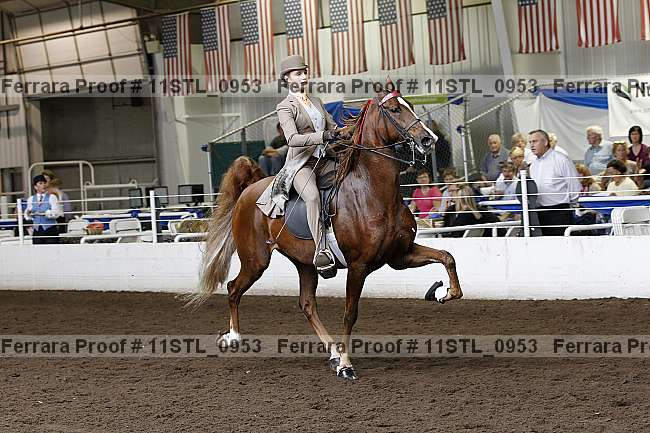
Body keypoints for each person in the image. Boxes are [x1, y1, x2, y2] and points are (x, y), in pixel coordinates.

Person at [256, 55, 340, 272]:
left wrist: (345, 132)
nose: (303, 76)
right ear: (287, 78)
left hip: (325, 159)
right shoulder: (285, 106)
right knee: (311, 196)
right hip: (302, 164)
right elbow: (292, 139)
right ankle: (321, 250)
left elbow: (333, 127)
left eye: (304, 72)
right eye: (298, 73)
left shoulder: (317, 101)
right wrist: (322, 136)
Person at [528, 129, 581, 236]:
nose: (531, 145)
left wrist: (569, 204)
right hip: (540, 211)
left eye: (535, 141)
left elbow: (574, 185)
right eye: (530, 142)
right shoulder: (533, 165)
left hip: (559, 211)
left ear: (545, 142)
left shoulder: (561, 159)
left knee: (561, 243)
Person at [25, 175, 63, 244]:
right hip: (37, 230)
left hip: (50, 229)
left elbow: (57, 213)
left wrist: (44, 213)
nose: (44, 185)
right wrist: (29, 214)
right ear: (35, 187)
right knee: (37, 249)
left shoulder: (52, 197)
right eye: (40, 183)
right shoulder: (31, 199)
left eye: (44, 183)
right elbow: (27, 215)